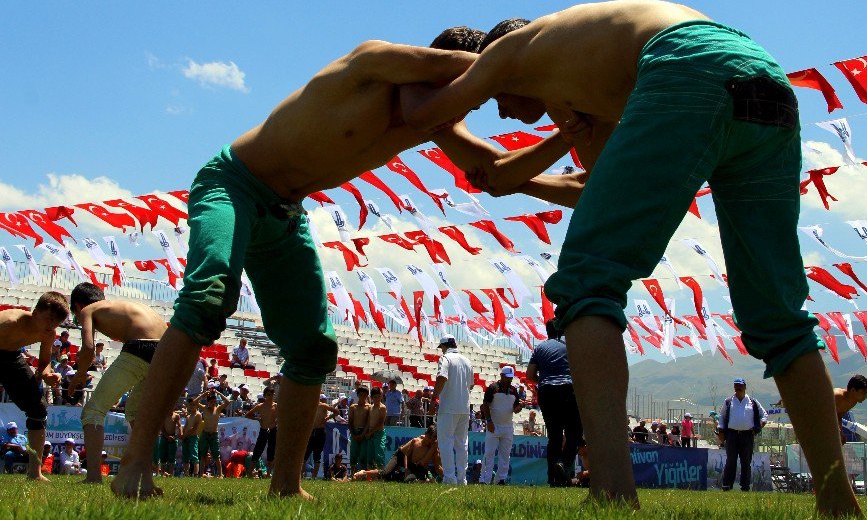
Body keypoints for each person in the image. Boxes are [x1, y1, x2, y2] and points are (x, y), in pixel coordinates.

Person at [401, 1, 861, 514]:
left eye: (491, 97)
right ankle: (837, 500)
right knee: (777, 314)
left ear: (489, 65)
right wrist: (561, 140)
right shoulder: (584, 82)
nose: (499, 112)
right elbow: (595, 187)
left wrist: (395, 78)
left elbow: (429, 117)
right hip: (764, 78)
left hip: (686, 64)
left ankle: (613, 491)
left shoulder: (511, 51)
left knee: (585, 282)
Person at [112, 30, 565, 500]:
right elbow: (442, 72)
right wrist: (505, 62)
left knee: (313, 348)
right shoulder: (373, 61)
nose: (465, 107)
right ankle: (136, 461)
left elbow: (496, 170)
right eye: (468, 88)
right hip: (235, 184)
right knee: (209, 296)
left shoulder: (430, 119)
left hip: (285, 213)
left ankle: (285, 484)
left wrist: (564, 139)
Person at [65, 283, 168, 483]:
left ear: (77, 306)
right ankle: (141, 472)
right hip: (166, 353)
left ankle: (93, 477)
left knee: (93, 412)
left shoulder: (88, 310)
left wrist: (80, 375)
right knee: (133, 413)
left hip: (141, 347)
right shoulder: (123, 306)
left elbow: (88, 348)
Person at [0, 291, 69, 481]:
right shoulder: (9, 322)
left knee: (38, 410)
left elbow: (44, 363)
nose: (51, 326)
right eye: (49, 320)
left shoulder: (49, 333)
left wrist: (48, 375)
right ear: (36, 313)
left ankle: (34, 473)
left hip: (11, 357)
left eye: (56, 323)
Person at [526, 320, 582, 487]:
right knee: (574, 433)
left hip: (547, 392)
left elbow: (529, 375)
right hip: (568, 389)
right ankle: (564, 465)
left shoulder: (540, 348)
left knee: (554, 435)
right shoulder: (569, 347)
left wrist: (542, 381)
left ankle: (553, 478)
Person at [434, 334, 473, 485]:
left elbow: (441, 377)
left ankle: (449, 477)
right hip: (464, 407)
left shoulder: (446, 359)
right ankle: (462, 478)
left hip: (448, 407)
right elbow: (471, 384)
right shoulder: (467, 360)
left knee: (445, 443)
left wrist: (434, 398)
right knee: (462, 444)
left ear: (444, 346)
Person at [717, 378, 767, 492]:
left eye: (740, 385)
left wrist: (759, 426)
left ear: (745, 387)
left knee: (746, 462)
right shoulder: (728, 401)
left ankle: (745, 487)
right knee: (731, 460)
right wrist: (721, 431)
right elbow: (722, 416)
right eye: (736, 386)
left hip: (747, 436)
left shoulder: (752, 402)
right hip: (731, 435)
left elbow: (764, 414)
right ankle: (727, 485)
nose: (737, 388)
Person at [352, 424, 442, 482]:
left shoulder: (433, 448)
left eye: (433, 440)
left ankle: (397, 477)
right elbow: (406, 455)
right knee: (385, 473)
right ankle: (364, 472)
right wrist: (406, 469)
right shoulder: (416, 441)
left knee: (413, 478)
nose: (431, 441)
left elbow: (437, 467)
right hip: (400, 455)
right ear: (426, 434)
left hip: (412, 463)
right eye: (430, 438)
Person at [480, 365, 523, 484]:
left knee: (505, 455)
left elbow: (515, 409)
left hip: (508, 427)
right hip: (494, 425)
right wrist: (489, 421)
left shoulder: (514, 390)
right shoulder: (493, 388)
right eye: (507, 377)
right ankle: (485, 479)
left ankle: (500, 479)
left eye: (511, 377)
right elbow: (485, 405)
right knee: (489, 453)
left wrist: (519, 408)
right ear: (502, 376)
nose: (509, 380)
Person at [193, 389, 230, 477]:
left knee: (216, 455)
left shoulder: (218, 409)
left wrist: (218, 393)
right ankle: (201, 473)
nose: (213, 403)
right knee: (203, 455)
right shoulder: (205, 408)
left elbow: (228, 402)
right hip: (205, 434)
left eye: (214, 401)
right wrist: (204, 394)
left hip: (214, 434)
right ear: (208, 402)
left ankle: (220, 474)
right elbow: (195, 402)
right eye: (211, 401)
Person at [246, 387, 279, 477]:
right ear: (265, 396)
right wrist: (258, 419)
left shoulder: (276, 406)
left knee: (271, 451)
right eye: (269, 395)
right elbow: (248, 415)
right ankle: (250, 472)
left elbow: (282, 415)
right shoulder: (261, 406)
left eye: (272, 394)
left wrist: (276, 421)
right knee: (258, 450)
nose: (271, 396)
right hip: (264, 429)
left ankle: (269, 473)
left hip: (272, 429)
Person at [304, 393, 336, 479]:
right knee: (305, 454)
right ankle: (301, 476)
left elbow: (336, 412)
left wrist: (326, 418)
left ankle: (314, 477)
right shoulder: (309, 405)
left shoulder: (323, 405)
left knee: (317, 455)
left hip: (320, 431)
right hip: (311, 431)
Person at [834, 375, 867, 444]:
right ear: (853, 390)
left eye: (866, 393)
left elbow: (838, 416)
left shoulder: (853, 401)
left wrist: (840, 433)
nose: (865, 397)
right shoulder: (837, 396)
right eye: (863, 393)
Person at [362, 388, 388, 471]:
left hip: (379, 433)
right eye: (375, 397)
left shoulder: (382, 407)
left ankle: (381, 474)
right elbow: (368, 421)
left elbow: (380, 423)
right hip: (370, 432)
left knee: (379, 454)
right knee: (370, 455)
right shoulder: (371, 407)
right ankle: (370, 475)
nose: (377, 399)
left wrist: (370, 432)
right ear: (372, 398)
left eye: (378, 397)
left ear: (381, 397)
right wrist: (365, 432)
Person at [348, 384, 371, 473]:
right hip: (355, 432)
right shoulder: (353, 407)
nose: (363, 397)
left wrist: (363, 434)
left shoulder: (369, 407)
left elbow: (368, 423)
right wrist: (353, 434)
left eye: (365, 395)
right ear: (358, 395)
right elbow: (350, 422)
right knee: (353, 454)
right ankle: (353, 474)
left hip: (364, 433)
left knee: (363, 455)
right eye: (361, 395)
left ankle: (363, 474)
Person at [180, 397, 203, 477]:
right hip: (186, 437)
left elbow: (195, 428)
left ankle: (196, 474)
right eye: (191, 405)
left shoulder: (198, 415)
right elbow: (185, 426)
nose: (192, 406)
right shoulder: (188, 416)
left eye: (194, 404)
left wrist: (186, 435)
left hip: (193, 437)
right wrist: (182, 434)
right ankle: (186, 473)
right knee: (185, 456)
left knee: (194, 455)